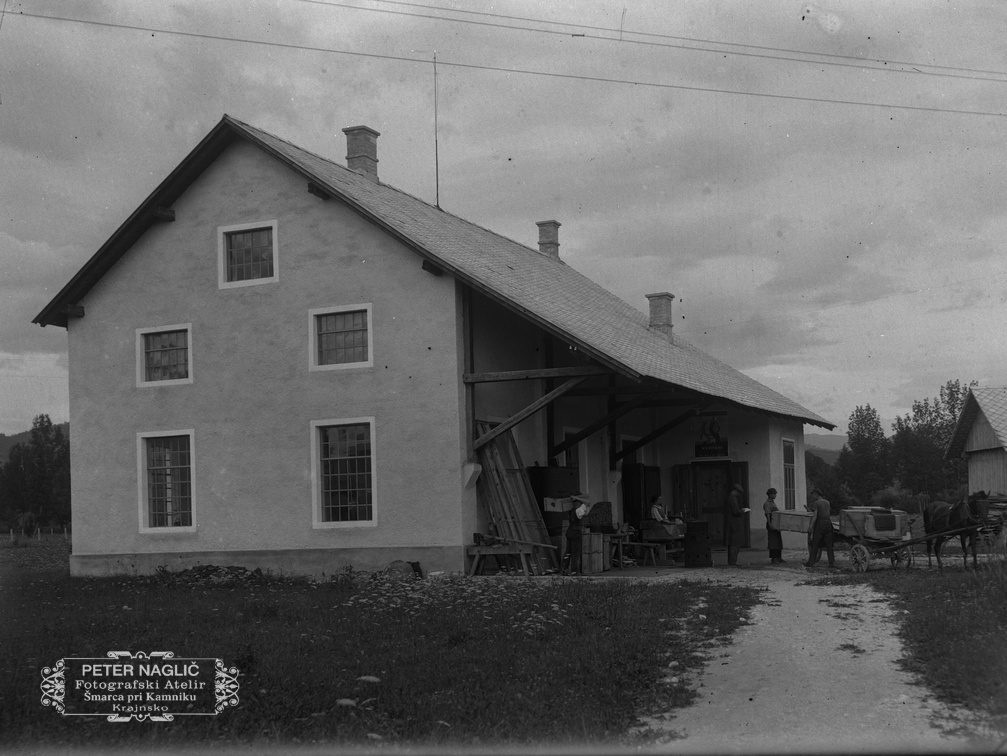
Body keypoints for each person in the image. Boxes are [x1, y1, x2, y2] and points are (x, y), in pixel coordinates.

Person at [805, 487, 835, 569]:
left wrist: (811, 526)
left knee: (815, 544)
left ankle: (811, 563)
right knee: (829, 545)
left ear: (816, 494)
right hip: (828, 523)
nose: (813, 496)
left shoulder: (817, 503)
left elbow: (815, 516)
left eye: (813, 494)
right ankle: (831, 563)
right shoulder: (827, 502)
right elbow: (828, 513)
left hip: (820, 524)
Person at [724, 483, 747, 566]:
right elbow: (735, 511)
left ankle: (732, 561)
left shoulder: (730, 497)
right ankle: (733, 561)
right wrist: (742, 510)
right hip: (734, 524)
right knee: (734, 543)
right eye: (739, 493)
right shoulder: (732, 498)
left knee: (733, 543)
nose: (739, 495)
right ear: (736, 491)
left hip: (731, 523)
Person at [763, 488, 785, 564]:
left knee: (778, 541)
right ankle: (774, 558)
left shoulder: (773, 503)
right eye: (774, 494)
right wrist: (770, 523)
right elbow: (768, 514)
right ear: (770, 494)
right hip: (772, 524)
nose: (775, 495)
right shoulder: (767, 503)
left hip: (776, 525)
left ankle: (779, 557)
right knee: (773, 542)